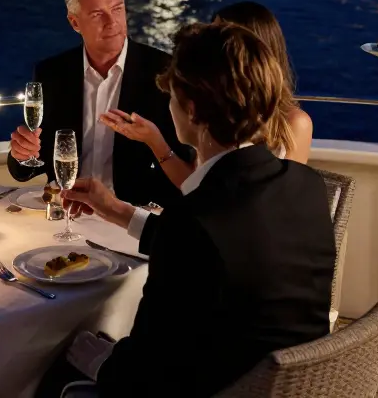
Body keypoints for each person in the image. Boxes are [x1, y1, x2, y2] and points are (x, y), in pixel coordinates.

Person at [41, 22, 336, 398]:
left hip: (208, 388)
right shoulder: (305, 185)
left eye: (172, 95)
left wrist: (88, 354)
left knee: (54, 370)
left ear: (192, 110)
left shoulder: (195, 221)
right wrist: (116, 210)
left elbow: (143, 368)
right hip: (289, 385)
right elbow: (222, 250)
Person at [6, 0, 189, 208]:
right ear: (74, 22)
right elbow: (28, 166)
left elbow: (185, 168)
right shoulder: (52, 73)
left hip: (135, 215)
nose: (112, 22)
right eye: (97, 14)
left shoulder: (164, 72)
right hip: (68, 212)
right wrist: (23, 153)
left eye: (117, 9)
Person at [100, 0, 314, 188]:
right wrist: (153, 139)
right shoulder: (216, 115)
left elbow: (282, 203)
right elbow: (196, 186)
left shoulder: (295, 124)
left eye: (219, 34)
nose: (207, 43)